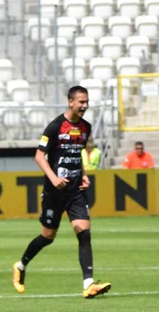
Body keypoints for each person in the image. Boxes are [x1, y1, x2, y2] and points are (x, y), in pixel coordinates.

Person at [12, 86, 112, 298]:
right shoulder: (55, 126)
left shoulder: (86, 127)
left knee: (84, 233)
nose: (85, 106)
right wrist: (54, 178)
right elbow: (39, 156)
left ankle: (89, 284)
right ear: (70, 102)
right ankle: (21, 266)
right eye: (81, 102)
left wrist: (83, 174)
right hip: (54, 192)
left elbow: (75, 155)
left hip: (75, 190)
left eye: (86, 102)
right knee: (47, 236)